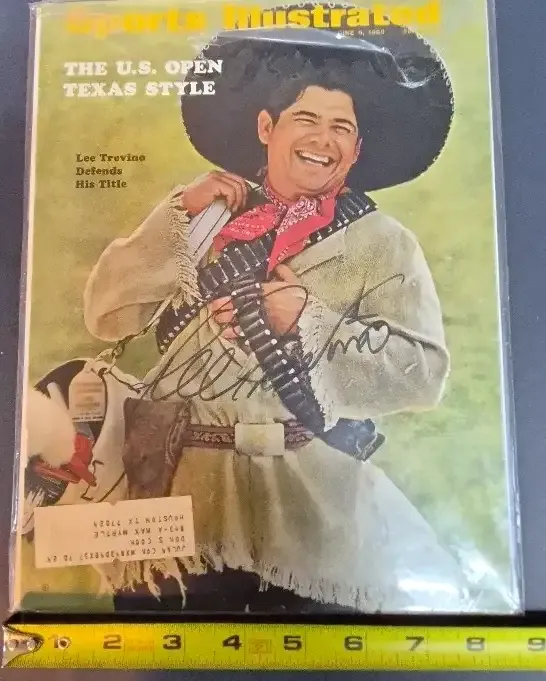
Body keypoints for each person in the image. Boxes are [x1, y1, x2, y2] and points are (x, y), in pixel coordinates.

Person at [82, 18, 471, 613]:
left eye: (342, 127)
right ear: (267, 127)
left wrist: (309, 320)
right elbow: (106, 316)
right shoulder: (208, 215)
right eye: (305, 119)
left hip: (304, 499)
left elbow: (422, 374)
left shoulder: (384, 242)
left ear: (357, 149)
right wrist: (179, 214)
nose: (323, 139)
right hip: (173, 491)